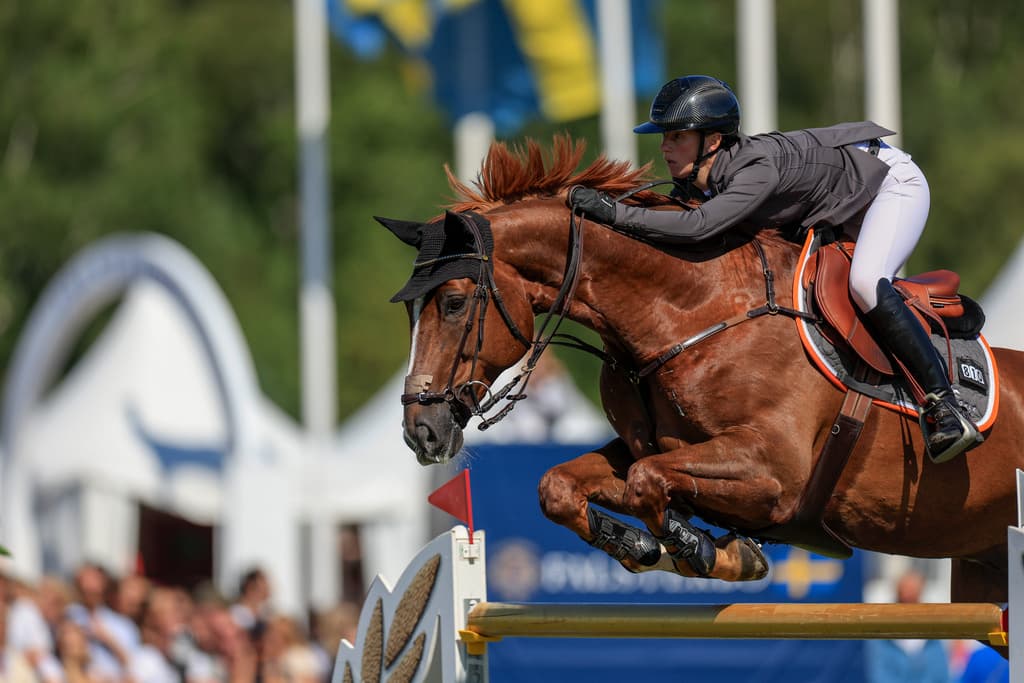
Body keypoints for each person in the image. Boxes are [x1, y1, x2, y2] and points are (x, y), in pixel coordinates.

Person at [569, 74, 981, 463]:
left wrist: (614, 214)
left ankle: (944, 404)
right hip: (836, 199)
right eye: (665, 137)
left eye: (677, 136)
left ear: (712, 140)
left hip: (890, 186)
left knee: (865, 284)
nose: (664, 147)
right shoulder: (710, 175)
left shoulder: (755, 170)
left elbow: (697, 227)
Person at [864, 569, 950, 682]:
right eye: (904, 599)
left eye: (913, 598)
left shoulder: (932, 636)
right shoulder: (882, 636)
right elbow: (879, 674)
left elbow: (941, 674)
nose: (909, 601)